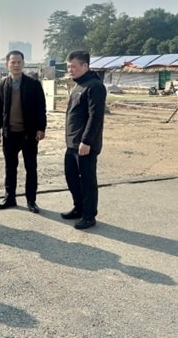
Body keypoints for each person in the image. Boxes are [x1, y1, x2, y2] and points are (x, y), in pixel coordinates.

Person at [0, 50, 47, 213]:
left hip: (29, 134)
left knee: (31, 168)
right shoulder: (2, 85)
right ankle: (10, 198)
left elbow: (41, 108)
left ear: (23, 64)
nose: (16, 65)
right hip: (9, 134)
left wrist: (41, 128)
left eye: (19, 62)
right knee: (10, 168)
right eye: (13, 62)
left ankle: (31, 200)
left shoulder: (33, 84)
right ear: (7, 64)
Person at [61, 50, 106, 230]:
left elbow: (96, 117)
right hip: (72, 144)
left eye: (74, 67)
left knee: (87, 181)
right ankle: (78, 207)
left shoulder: (94, 86)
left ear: (85, 66)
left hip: (85, 145)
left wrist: (86, 141)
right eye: (68, 67)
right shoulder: (78, 85)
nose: (70, 70)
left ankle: (89, 215)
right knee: (71, 177)